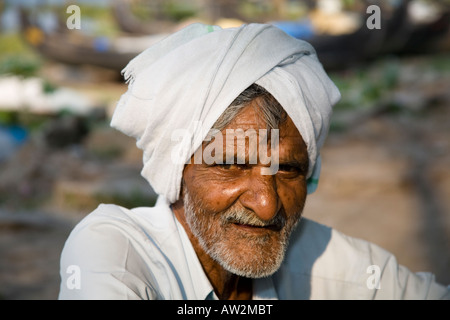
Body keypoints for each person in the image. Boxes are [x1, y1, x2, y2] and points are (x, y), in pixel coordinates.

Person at [58, 23, 449, 300]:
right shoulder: (116, 251)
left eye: (289, 170)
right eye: (230, 164)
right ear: (178, 169)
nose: (267, 204)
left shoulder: (330, 262)